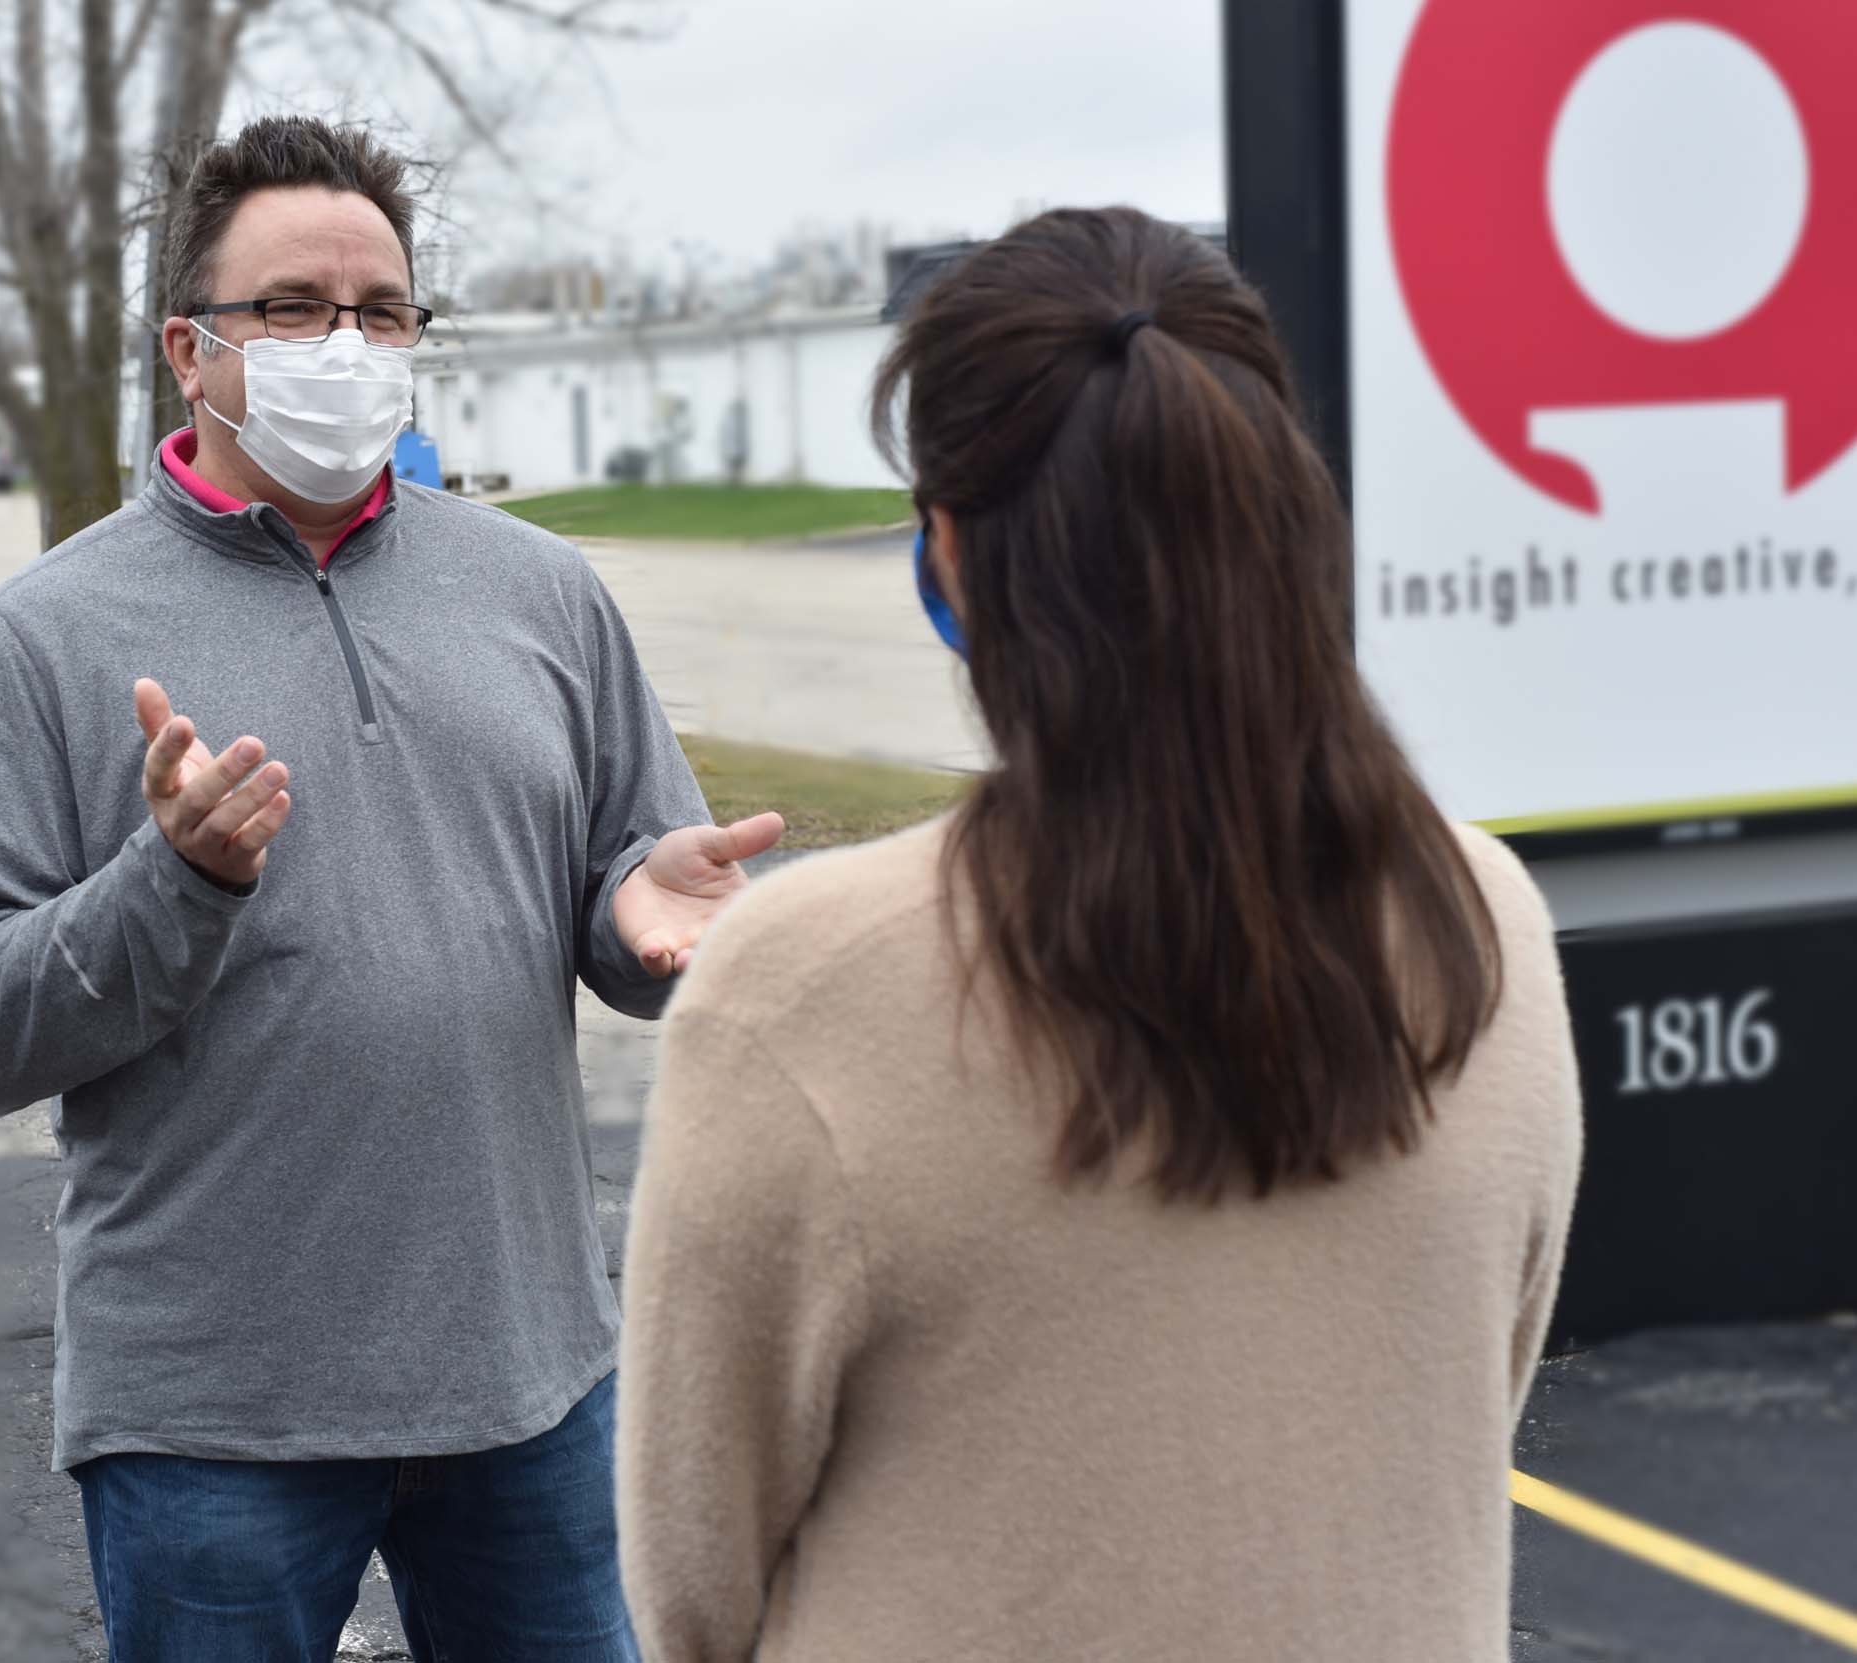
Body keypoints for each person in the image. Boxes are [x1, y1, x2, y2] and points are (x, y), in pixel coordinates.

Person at [613, 206, 1583, 1663]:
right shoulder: (1483, 924)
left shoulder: (800, 994)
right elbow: (1463, 1395)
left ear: (948, 554)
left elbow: (694, 1586)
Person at [0, 115, 783, 1661]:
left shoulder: (540, 593)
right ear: (191, 348)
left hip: (530, 1380)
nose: (349, 345)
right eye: (296, 309)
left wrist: (652, 927)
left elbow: (629, 902)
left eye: (382, 312)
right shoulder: (48, 634)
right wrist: (169, 882)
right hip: (210, 1416)